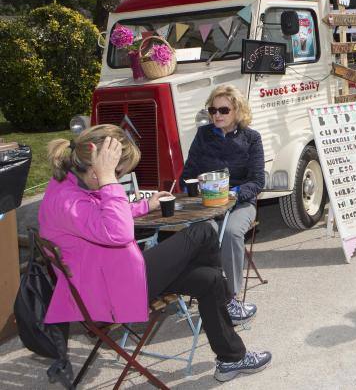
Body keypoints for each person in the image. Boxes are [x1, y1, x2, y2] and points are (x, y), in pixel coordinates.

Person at [38, 125, 271, 382]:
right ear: (96, 170)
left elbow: (101, 219)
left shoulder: (69, 185)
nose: (116, 179)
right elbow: (118, 232)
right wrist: (109, 181)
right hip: (111, 293)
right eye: (117, 173)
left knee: (210, 280)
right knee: (203, 232)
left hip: (113, 276)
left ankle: (231, 359)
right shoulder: (68, 201)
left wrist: (142, 206)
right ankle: (229, 302)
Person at [182, 85, 265, 324]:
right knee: (202, 233)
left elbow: (258, 181)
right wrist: (191, 186)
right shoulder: (203, 135)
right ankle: (204, 289)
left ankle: (231, 298)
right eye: (212, 110)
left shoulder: (251, 138)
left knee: (229, 233)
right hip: (207, 202)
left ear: (237, 111)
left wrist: (233, 193)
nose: (217, 115)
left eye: (223, 110)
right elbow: (188, 171)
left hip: (240, 202)